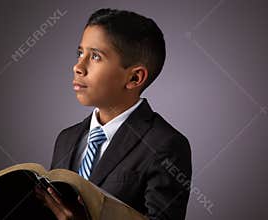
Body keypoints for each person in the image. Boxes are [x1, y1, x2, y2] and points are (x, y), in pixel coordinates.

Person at [42, 8, 192, 220]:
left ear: (134, 78)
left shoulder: (166, 145)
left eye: (95, 56)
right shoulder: (66, 139)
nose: (78, 67)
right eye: (80, 53)